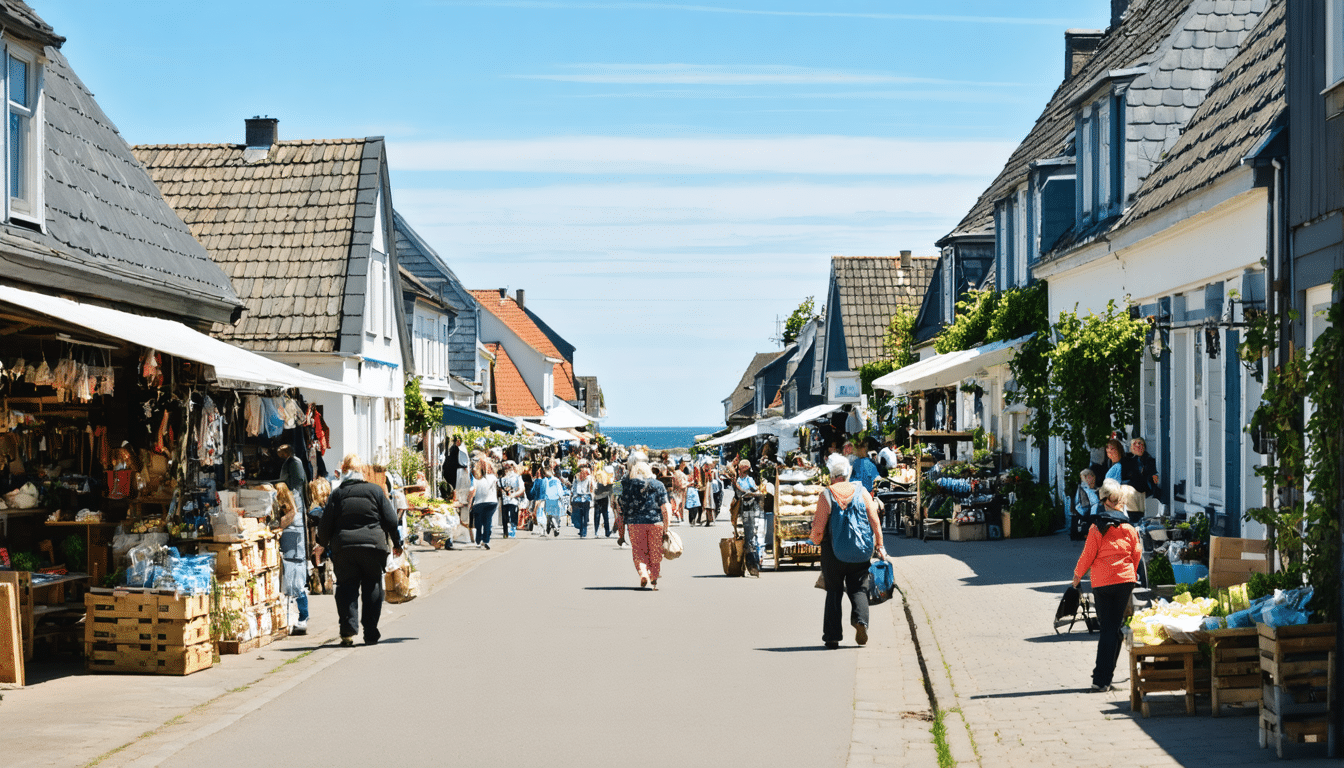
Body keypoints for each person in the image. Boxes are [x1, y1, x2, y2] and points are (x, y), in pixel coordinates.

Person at [316, 453, 403, 647]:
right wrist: (397, 544)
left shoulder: (337, 494)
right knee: (373, 586)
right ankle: (370, 633)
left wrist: (321, 543)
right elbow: (391, 520)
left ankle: (348, 630)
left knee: (346, 587)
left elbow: (325, 525)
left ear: (344, 470)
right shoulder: (375, 491)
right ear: (362, 471)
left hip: (344, 549)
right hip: (373, 548)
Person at [1072, 478, 1143, 692]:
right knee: (1114, 629)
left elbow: (1088, 555)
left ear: (1103, 501)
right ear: (1120, 501)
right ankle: (1105, 677)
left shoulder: (1097, 528)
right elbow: (1137, 553)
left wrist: (1077, 576)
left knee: (1108, 629)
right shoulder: (1129, 528)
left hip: (1102, 582)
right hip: (1124, 581)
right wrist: (1131, 574)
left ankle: (1100, 680)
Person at [810, 453, 885, 649]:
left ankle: (832, 637)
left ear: (832, 475)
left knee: (834, 591)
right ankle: (861, 622)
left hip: (833, 553)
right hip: (860, 552)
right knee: (859, 588)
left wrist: (814, 540)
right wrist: (879, 545)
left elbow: (818, 530)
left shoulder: (826, 494)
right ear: (847, 474)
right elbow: (875, 521)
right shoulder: (862, 492)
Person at [616, 461, 671, 589]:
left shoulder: (623, 485)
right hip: (656, 523)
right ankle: (654, 577)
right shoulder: (658, 484)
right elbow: (665, 507)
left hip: (634, 524)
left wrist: (621, 534)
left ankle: (643, 573)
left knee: (639, 552)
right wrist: (666, 527)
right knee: (655, 551)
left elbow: (619, 509)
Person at [270, 483, 309, 634]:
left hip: (293, 554)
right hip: (294, 554)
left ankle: (302, 617)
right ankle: (299, 617)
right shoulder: (295, 507)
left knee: (296, 586)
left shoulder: (291, 511)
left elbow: (281, 524)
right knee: (295, 586)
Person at [735, 459, 766, 577]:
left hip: (749, 508)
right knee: (749, 536)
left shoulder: (747, 480)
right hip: (746, 509)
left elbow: (754, 489)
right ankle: (752, 563)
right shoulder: (740, 481)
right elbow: (742, 492)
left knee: (751, 536)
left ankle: (753, 562)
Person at [305, 477, 334, 593]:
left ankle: (317, 581)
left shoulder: (315, 511)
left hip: (319, 542)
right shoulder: (332, 506)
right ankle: (327, 580)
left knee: (317, 556)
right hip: (330, 542)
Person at [465, 457, 499, 550]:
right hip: (492, 502)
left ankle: (478, 541)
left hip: (479, 503)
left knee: (478, 523)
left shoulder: (476, 479)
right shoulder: (493, 477)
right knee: (488, 521)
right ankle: (486, 540)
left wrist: (469, 503)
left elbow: (472, 491)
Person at [1122, 437, 1159, 515]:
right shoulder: (1129, 462)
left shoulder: (1150, 461)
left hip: (1146, 493)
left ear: (1144, 447)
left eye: (1140, 443)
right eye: (1134, 444)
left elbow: (1151, 477)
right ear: (1131, 448)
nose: (1137, 445)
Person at [276, 444, 308, 512]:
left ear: (285, 453)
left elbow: (297, 478)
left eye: (280, 453)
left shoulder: (292, 462)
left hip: (294, 491)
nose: (279, 456)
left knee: (297, 510)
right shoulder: (295, 460)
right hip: (296, 490)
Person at [499, 461, 524, 538]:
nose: (507, 469)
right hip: (505, 500)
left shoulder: (517, 477)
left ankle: (512, 531)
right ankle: (506, 532)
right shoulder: (501, 479)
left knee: (513, 516)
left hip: (514, 500)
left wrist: (514, 494)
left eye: (508, 467)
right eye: (505, 467)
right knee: (505, 517)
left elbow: (522, 489)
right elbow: (499, 488)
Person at [441, 435, 469, 502]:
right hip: (453, 470)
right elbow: (457, 461)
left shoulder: (453, 450)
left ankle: (454, 498)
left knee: (454, 485)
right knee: (455, 485)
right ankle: (455, 498)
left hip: (450, 469)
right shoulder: (457, 450)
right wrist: (463, 466)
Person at [571, 464, 594, 538]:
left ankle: (584, 531)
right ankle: (581, 531)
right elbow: (574, 488)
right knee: (580, 515)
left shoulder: (589, 479)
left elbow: (591, 488)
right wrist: (574, 496)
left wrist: (591, 497)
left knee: (585, 516)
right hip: (578, 499)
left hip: (586, 499)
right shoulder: (576, 478)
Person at [592, 462, 614, 537]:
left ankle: (597, 531)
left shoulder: (596, 475)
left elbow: (594, 488)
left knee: (597, 515)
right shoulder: (605, 475)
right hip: (604, 497)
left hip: (597, 498)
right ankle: (607, 532)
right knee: (605, 514)